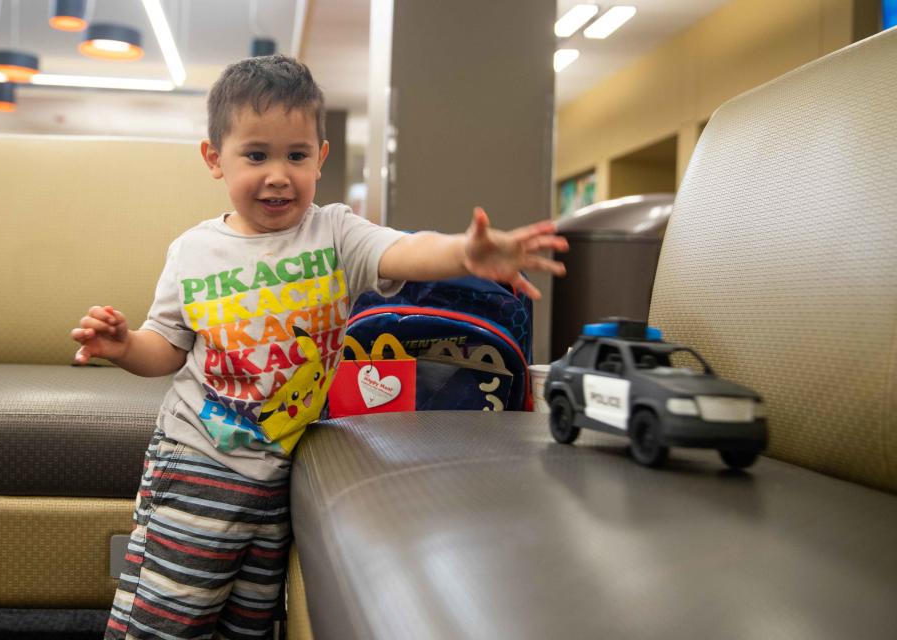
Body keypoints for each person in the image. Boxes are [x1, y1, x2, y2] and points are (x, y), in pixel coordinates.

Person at [71, 54, 568, 640]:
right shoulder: (193, 251)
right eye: (256, 155)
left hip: (283, 469)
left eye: (296, 156)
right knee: (171, 614)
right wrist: (126, 345)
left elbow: (403, 251)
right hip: (199, 458)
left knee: (251, 620)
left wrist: (465, 253)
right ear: (214, 158)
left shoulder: (334, 232)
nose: (278, 174)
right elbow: (167, 349)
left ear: (320, 158)